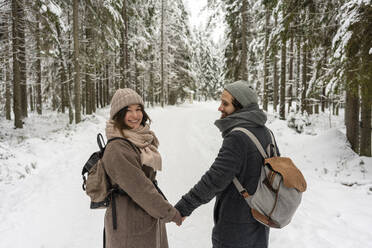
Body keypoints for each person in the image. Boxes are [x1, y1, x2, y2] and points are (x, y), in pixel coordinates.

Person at [175, 80, 280, 248]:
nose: (220, 108)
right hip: (260, 220)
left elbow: (214, 179)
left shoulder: (237, 137)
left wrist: (184, 207)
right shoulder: (266, 132)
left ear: (241, 107)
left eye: (225, 103)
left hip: (236, 226)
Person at [102, 88, 182, 248]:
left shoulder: (140, 139)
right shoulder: (117, 148)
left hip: (146, 216)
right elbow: (141, 188)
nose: (135, 115)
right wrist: (170, 213)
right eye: (128, 111)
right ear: (118, 115)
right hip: (129, 222)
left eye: (138, 109)